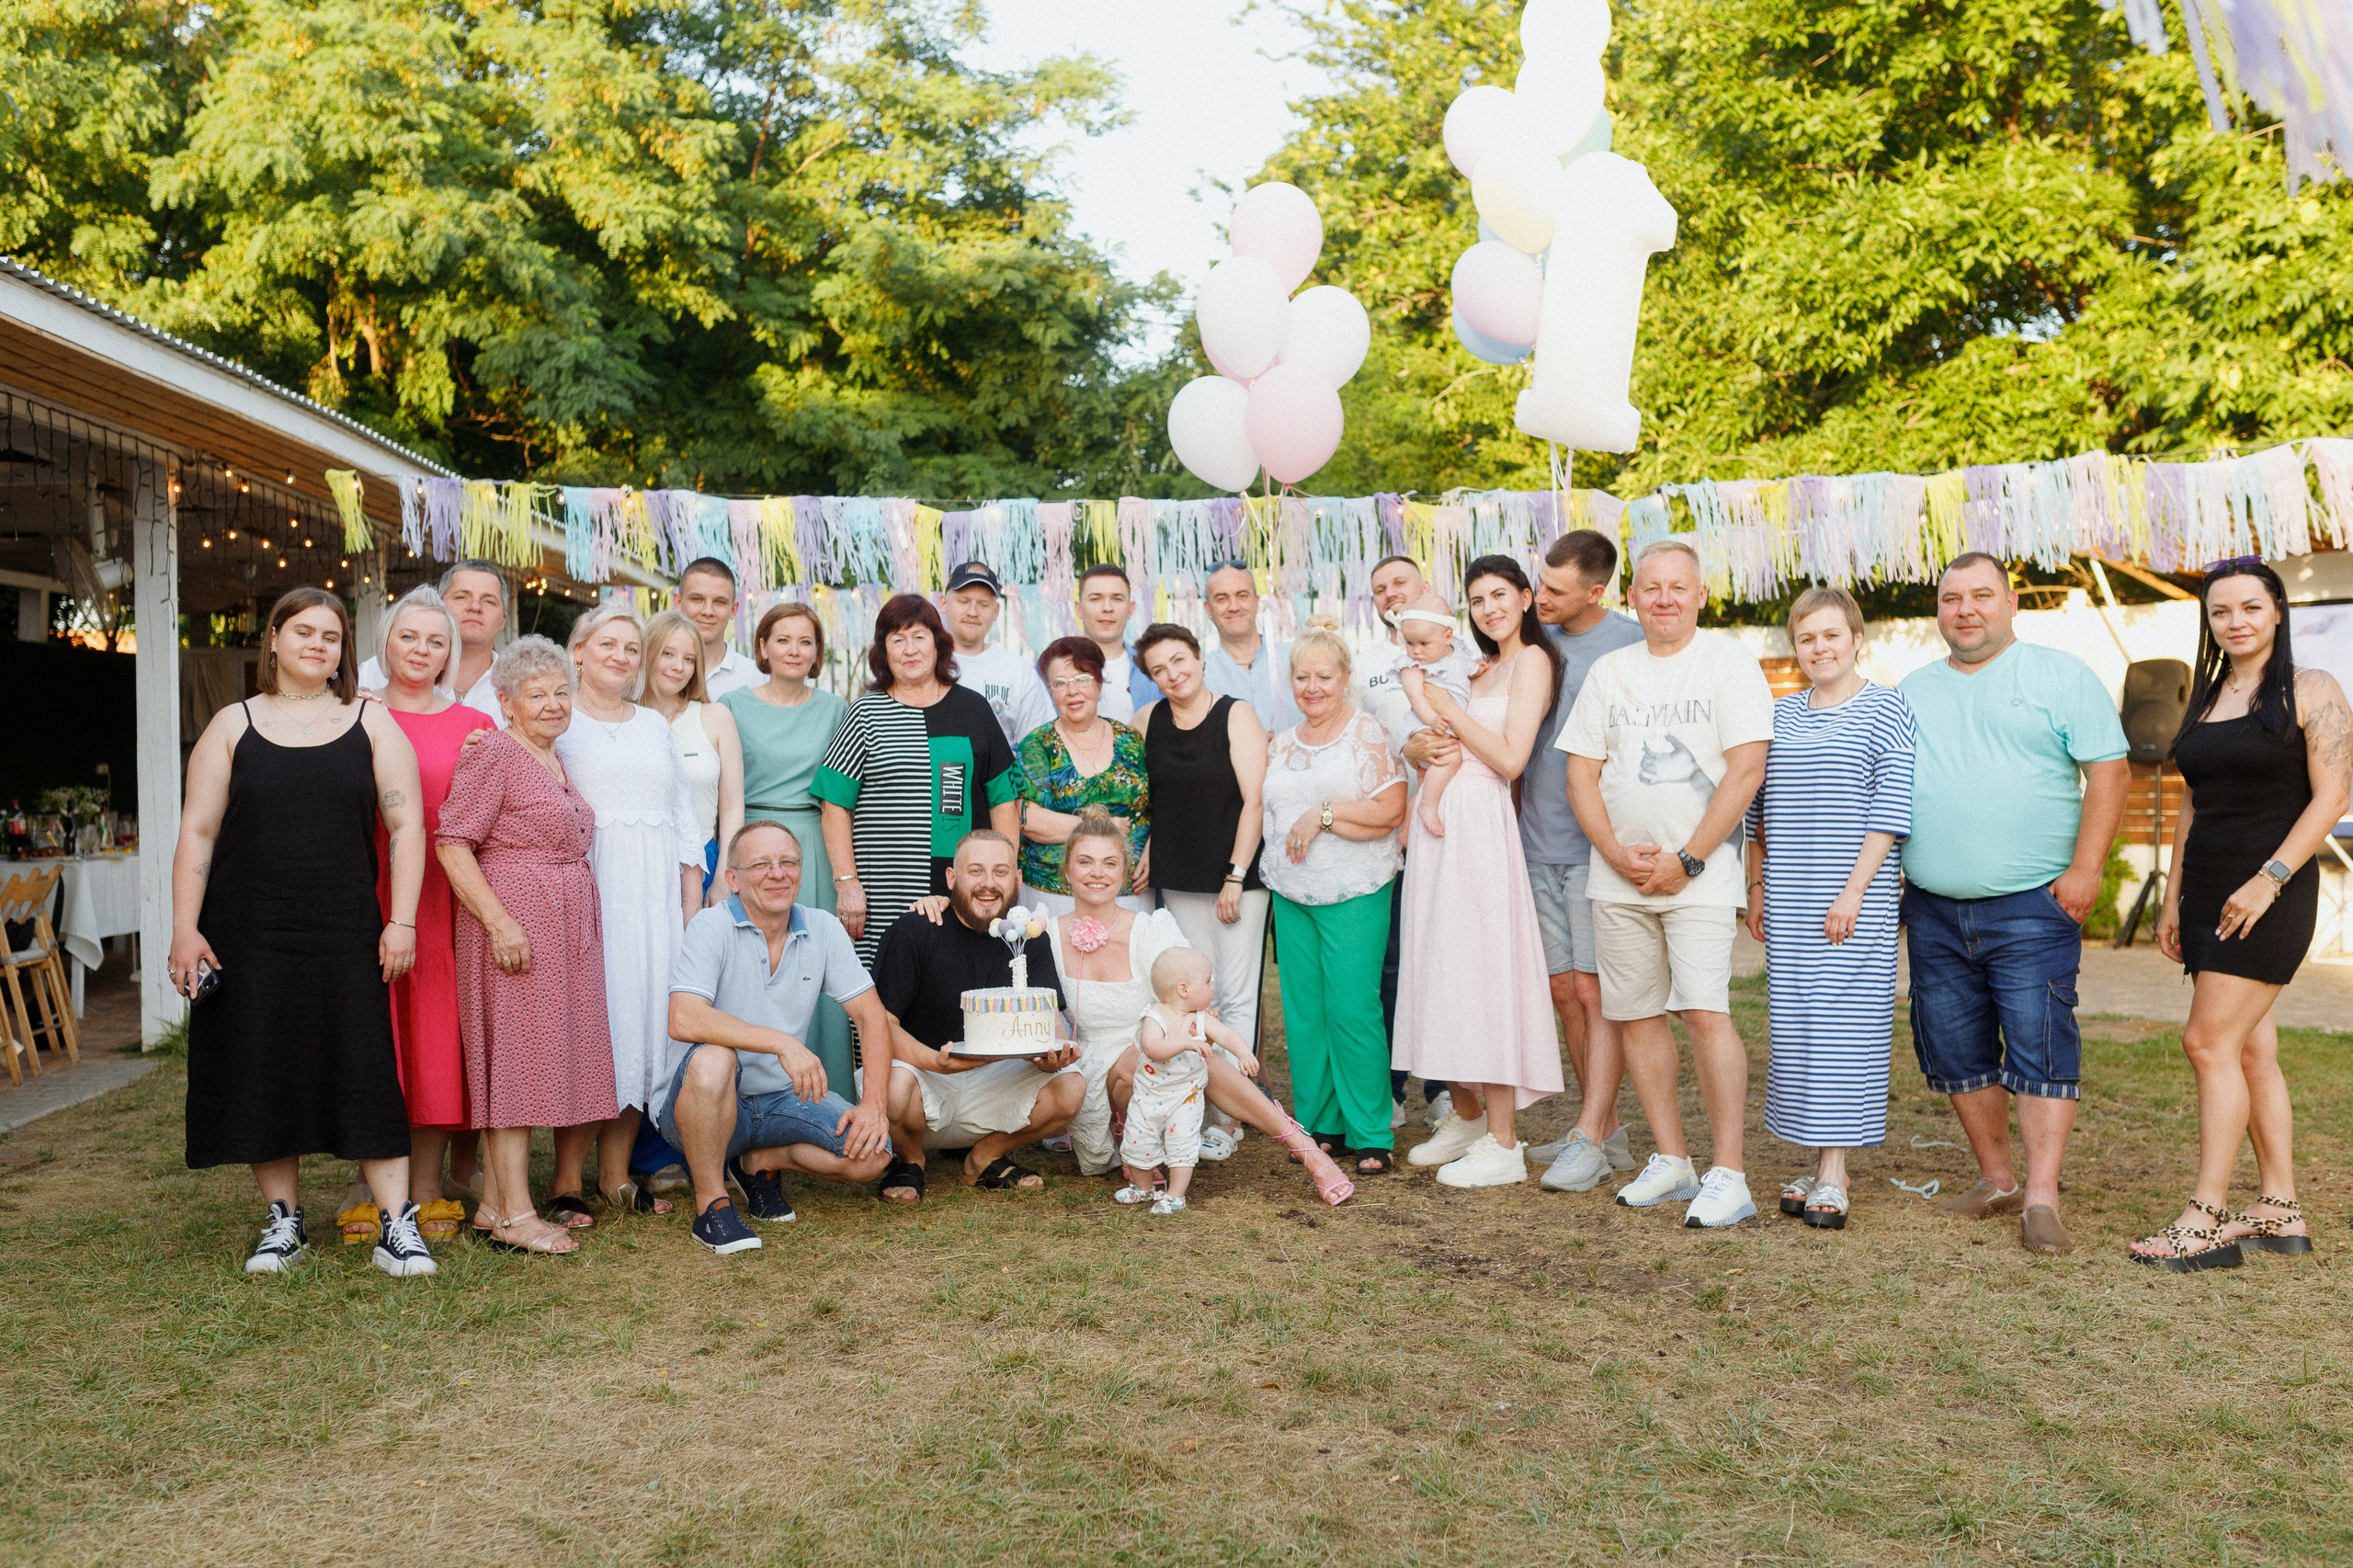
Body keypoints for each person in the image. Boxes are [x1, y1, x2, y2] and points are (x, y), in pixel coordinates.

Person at [170, 586, 438, 1278]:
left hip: (346, 930)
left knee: (365, 1068)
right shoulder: (231, 725)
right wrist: (184, 929)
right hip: (248, 931)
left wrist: (401, 920)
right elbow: (198, 831)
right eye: (304, 632)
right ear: (274, 638)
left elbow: (408, 826)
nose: (318, 645)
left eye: (331, 636)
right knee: (262, 1064)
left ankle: (397, 1225)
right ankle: (283, 1223)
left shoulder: (371, 722)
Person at [1899, 552, 2129, 1257]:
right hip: (1933, 907)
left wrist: (2087, 869)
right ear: (1939, 610)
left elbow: (2110, 771)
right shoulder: (1910, 691)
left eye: (1981, 595)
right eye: (1951, 598)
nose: (1965, 610)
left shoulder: (2060, 676)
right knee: (1952, 1047)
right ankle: (1997, 1179)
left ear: (2010, 603)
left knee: (2040, 1045)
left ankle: (2041, 1198)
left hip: (2033, 905)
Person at [2140, 560, 2350, 1269]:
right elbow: (2193, 801)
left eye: (2251, 607)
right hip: (2207, 893)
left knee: (2207, 1044)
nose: (2235, 621)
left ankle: (2205, 1217)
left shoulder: (2312, 689)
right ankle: (2279, 1208)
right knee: (2251, 1048)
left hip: (2269, 896)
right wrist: (2172, 897)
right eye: (2221, 611)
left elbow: (2333, 797)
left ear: (2278, 611)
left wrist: (2269, 878)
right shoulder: (2208, 696)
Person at [1561, 539, 1774, 1228]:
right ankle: (1673, 1160)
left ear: (1701, 595)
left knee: (1705, 1012)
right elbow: (1580, 773)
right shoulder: (1610, 671)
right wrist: (1616, 854)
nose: (1664, 599)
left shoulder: (1728, 663)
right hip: (1618, 878)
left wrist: (1688, 859)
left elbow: (1747, 769)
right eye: (1651, 587)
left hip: (1699, 879)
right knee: (1635, 1014)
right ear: (1631, 597)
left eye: (1678, 587)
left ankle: (1729, 1174)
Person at [437, 635, 620, 1256]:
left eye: (561, 692)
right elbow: (452, 842)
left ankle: (494, 1206)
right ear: (506, 702)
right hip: (515, 924)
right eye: (536, 694)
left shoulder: (554, 757)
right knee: (513, 1064)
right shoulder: (494, 752)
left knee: (534, 1060)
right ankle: (516, 1214)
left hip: (561, 925)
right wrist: (499, 922)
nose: (552, 704)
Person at [1740, 587, 1916, 1231]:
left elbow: (1891, 807)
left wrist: (1855, 891)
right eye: (1807, 638)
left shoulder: (1887, 708)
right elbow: (1757, 811)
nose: (1819, 648)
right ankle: (1818, 1162)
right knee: (1799, 1028)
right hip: (1788, 898)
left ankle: (1835, 1172)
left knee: (1845, 1030)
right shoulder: (1781, 715)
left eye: (1831, 635)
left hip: (1852, 898)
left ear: (1856, 638)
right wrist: (1757, 888)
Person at [1393, 557, 1565, 1187]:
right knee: (1440, 962)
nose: (1489, 609)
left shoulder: (1532, 662)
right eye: (1477, 600)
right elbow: (1432, 734)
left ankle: (1504, 1140)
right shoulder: (1473, 665)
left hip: (1481, 826)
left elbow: (1510, 759)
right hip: (1440, 825)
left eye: (1499, 595)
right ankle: (1465, 1115)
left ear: (1525, 598)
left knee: (1484, 969)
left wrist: (1450, 712)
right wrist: (1416, 746)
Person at [655, 821, 903, 1255]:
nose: (777, 873)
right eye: (761, 864)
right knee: (715, 1059)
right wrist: (782, 1042)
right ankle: (712, 1206)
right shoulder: (711, 926)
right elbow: (684, 1018)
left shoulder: (823, 928)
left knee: (874, 1153)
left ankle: (760, 1161)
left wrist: (874, 1105)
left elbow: (871, 1017)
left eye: (788, 862)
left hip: (781, 1099)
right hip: (706, 1104)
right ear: (732, 879)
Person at [553, 602, 700, 1223]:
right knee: (595, 1030)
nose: (620, 656)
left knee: (643, 1027)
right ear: (579, 651)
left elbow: (683, 821)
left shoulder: (653, 726)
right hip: (588, 897)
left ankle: (615, 1174)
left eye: (632, 648)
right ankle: (565, 1180)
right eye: (607, 644)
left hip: (654, 903)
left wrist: (690, 912)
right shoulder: (557, 720)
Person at [1518, 529, 1644, 1193]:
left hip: (1597, 845)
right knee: (1564, 990)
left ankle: (1590, 1135)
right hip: (1534, 838)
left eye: (1556, 590)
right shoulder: (1531, 639)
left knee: (1597, 991)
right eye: (1541, 582)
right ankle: (1606, 1131)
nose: (1540, 596)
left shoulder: (1631, 643)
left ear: (1596, 592)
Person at [369, 586, 496, 1242]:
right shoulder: (354, 715)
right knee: (374, 1037)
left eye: (435, 641)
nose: (421, 650)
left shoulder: (474, 727)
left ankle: (425, 1189)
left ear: (451, 654)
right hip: (368, 890)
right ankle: (371, 1185)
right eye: (409, 637)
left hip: (445, 899)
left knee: (433, 1038)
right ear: (385, 643)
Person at [1262, 627, 1410, 1175]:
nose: (1313, 686)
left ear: (1345, 678)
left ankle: (1370, 1130)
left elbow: (1390, 811)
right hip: (1290, 890)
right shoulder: (1282, 742)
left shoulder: (1365, 732)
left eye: (1324, 676)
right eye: (1302, 676)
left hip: (1354, 889)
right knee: (1305, 1013)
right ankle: (1321, 1123)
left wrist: (1323, 815)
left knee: (1352, 1008)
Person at [868, 830, 1086, 1193]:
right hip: (925, 1079)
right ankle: (910, 1159)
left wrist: (1054, 1058)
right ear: (952, 878)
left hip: (996, 1081)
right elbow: (880, 1025)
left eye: (1001, 872)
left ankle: (985, 1155)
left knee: (1072, 1085)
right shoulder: (914, 931)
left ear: (1017, 880)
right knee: (892, 1083)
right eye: (975, 871)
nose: (989, 883)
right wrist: (935, 1062)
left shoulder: (1030, 938)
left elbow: (1048, 1021)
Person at [815, 593, 1019, 965]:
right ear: (884, 651)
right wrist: (847, 883)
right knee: (884, 987)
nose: (910, 650)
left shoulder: (973, 709)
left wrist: (1005, 876)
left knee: (960, 986)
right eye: (897, 640)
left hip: (965, 892)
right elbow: (834, 804)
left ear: (938, 644)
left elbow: (1004, 799)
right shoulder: (865, 712)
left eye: (919, 637)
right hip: (883, 895)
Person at [720, 602, 858, 1105]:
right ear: (762, 647)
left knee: (814, 958)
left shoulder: (837, 709)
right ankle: (751, 1098)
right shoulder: (731, 706)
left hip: (813, 844)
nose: (794, 650)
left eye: (805, 641)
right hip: (752, 838)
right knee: (753, 962)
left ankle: (827, 1095)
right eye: (782, 639)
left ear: (818, 652)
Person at [1137, 621, 1271, 1051]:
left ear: (1199, 657)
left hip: (1235, 876)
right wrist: (1148, 847)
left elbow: (1255, 801)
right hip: (1178, 876)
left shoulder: (1236, 714)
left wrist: (1236, 875)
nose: (1173, 674)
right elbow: (1151, 799)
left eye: (1179, 660)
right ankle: (1206, 1088)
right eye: (1159, 669)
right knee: (1195, 994)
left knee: (1236, 994)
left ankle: (1237, 1092)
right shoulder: (1148, 720)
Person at [1361, 553, 1453, 1128]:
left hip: (1450, 828)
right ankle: (1391, 1085)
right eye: (1380, 588)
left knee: (1447, 957)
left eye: (1400, 582)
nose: (1391, 593)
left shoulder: (1457, 653)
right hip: (1390, 836)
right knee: (1392, 963)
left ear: (1424, 587)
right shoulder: (1365, 665)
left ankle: (1445, 1087)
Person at [1011, 635, 1151, 915]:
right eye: (1060, 683)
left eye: (1082, 679)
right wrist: (1101, 826)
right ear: (1051, 692)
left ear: (1099, 685)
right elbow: (1030, 820)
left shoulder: (1131, 740)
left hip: (1130, 891)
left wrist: (1153, 849)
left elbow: (1156, 806)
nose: (1072, 691)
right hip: (1054, 895)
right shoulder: (1037, 745)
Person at [1118, 948, 1259, 1216]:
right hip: (1149, 1097)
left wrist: (1244, 1053)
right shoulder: (1155, 1016)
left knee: (1182, 1145)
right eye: (1207, 981)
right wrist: (1185, 1042)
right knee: (1137, 1143)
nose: (1213, 987)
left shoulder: (1201, 1017)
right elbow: (1152, 1048)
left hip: (1186, 1097)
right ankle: (1144, 1188)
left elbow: (1226, 1035)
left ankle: (1175, 1195)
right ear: (1183, 989)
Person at [643, 607, 745, 898]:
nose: (679, 666)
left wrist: (724, 876)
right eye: (668, 654)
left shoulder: (716, 717)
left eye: (689, 659)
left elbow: (732, 808)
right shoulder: (623, 718)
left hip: (703, 858)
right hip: (641, 860)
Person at [358, 558, 509, 725]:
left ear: (503, 620)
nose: (475, 607)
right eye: (461, 597)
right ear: (440, 606)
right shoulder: (374, 673)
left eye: (489, 601)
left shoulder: (517, 683)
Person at [1392, 593, 1479, 839]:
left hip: (1442, 721)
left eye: (1423, 644)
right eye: (1410, 643)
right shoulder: (1411, 666)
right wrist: (1432, 720)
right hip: (1424, 724)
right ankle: (1428, 806)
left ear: (1447, 637)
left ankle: (1407, 829)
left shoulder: (1457, 652)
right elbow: (1416, 698)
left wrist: (1476, 671)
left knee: (1424, 780)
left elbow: (1463, 674)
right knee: (1451, 758)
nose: (1416, 651)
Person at [940, 559, 1052, 746]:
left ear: (996, 611)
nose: (973, 612)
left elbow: (1039, 744)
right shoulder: (920, 663)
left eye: (983, 604)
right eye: (964, 601)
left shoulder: (1017, 671)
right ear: (943, 603)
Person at [1199, 560, 1300, 733]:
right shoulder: (1201, 675)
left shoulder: (1296, 657)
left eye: (1242, 596)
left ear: (1256, 601)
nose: (1234, 607)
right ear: (1208, 609)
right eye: (1221, 599)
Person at [1075, 563, 1156, 721]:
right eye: (1095, 599)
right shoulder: (1050, 669)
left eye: (1117, 599)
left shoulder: (1152, 667)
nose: (1107, 608)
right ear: (1079, 609)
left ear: (1131, 609)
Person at [676, 555, 759, 697]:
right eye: (697, 599)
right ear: (678, 602)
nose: (708, 611)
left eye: (719, 602)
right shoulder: (654, 671)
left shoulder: (756, 678)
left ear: (733, 610)